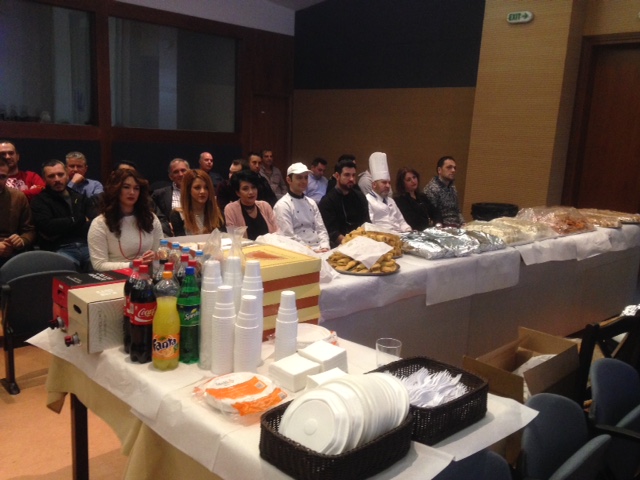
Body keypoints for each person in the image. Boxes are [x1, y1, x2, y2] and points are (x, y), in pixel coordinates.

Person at [88, 169, 163, 271]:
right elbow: (99, 265)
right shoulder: (100, 223)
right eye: (126, 187)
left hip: (148, 275)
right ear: (115, 189)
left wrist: (155, 256)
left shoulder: (151, 218)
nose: (132, 192)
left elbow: (161, 252)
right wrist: (133, 265)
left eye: (136, 188)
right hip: (117, 276)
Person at [30, 159, 95, 271]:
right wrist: (80, 220)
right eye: (51, 176)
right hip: (60, 249)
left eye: (60, 174)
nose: (57, 179)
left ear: (67, 176)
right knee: (65, 274)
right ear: (44, 179)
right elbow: (48, 227)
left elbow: (94, 223)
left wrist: (63, 226)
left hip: (87, 246)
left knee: (103, 271)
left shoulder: (80, 198)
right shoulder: (39, 201)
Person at [274, 162, 330, 252]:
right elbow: (288, 237)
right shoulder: (282, 205)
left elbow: (321, 229)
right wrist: (311, 250)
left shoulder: (312, 203)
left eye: (306, 177)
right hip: (298, 251)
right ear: (289, 180)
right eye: (299, 178)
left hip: (319, 248)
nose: (304, 181)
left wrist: (325, 247)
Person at [319, 159, 370, 247]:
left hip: (362, 242)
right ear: (337, 176)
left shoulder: (360, 196)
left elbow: (366, 222)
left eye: (353, 175)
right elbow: (332, 233)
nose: (351, 179)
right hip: (340, 245)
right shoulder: (327, 201)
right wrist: (351, 243)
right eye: (347, 175)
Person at [0, 158, 36, 266]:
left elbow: (29, 230)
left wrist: (21, 240)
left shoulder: (18, 197)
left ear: (8, 177)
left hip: (12, 251)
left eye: (2, 177)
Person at [224, 170, 278, 240]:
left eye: (253, 187)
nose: (251, 192)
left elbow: (276, 232)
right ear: (238, 193)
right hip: (244, 246)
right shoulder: (231, 209)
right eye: (245, 189)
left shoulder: (265, 205)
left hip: (269, 245)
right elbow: (233, 238)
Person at [170, 169, 225, 236]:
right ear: (188, 190)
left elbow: (224, 239)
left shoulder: (218, 214)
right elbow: (180, 241)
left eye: (206, 187)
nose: (203, 191)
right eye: (197, 188)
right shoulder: (178, 215)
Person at [366, 152, 411, 233]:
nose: (388, 186)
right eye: (384, 182)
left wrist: (408, 230)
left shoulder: (391, 201)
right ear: (374, 185)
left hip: (401, 236)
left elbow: (402, 222)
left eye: (389, 183)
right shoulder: (368, 200)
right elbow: (370, 226)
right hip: (382, 237)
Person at [152, 158, 190, 236]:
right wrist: (166, 226)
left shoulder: (199, 192)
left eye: (183, 170)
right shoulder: (159, 195)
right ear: (170, 176)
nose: (180, 174)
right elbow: (156, 216)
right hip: (171, 235)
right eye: (176, 172)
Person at [424, 156, 464, 227]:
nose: (453, 170)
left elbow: (457, 210)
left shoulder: (452, 186)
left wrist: (463, 223)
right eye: (449, 167)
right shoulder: (432, 189)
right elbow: (433, 216)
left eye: (454, 168)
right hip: (443, 227)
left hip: (457, 225)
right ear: (439, 170)